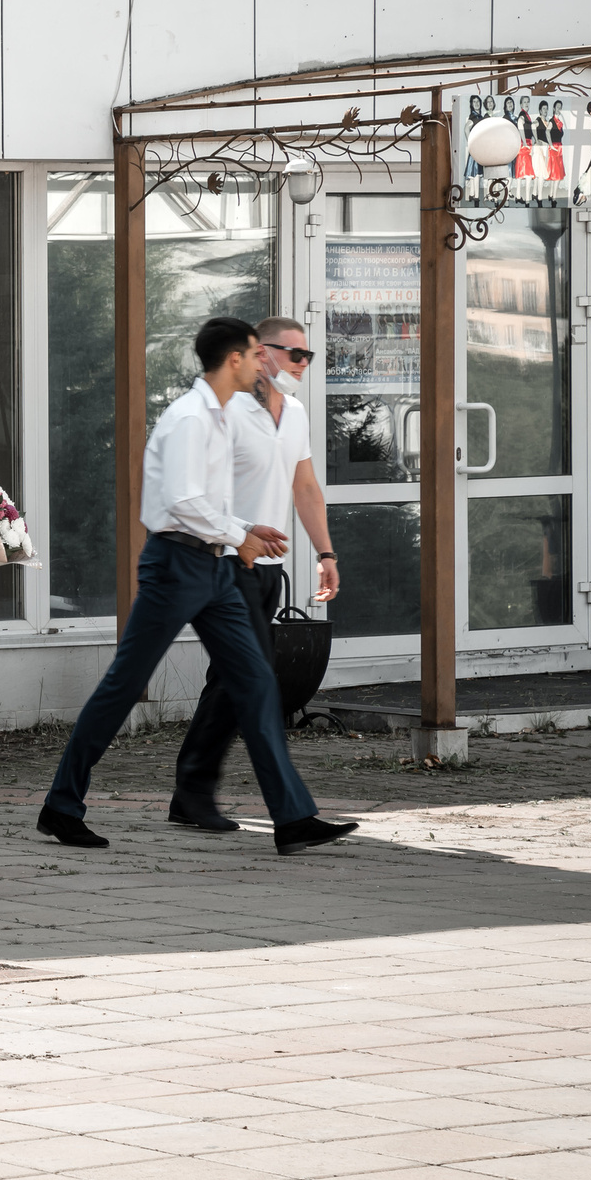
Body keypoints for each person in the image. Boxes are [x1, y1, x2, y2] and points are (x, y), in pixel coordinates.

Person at [39, 317, 359, 857]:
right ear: (234, 359)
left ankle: (293, 818)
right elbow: (185, 502)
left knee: (257, 684)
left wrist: (245, 533)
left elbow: (219, 499)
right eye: (258, 354)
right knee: (124, 686)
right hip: (175, 566)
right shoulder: (190, 417)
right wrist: (243, 535)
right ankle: (61, 807)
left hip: (217, 568)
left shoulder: (221, 416)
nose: (266, 364)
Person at [170, 314, 343, 832]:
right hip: (223, 562)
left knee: (232, 680)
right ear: (260, 354)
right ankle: (285, 813)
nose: (304, 365)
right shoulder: (223, 412)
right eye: (297, 355)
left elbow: (305, 487)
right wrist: (235, 533)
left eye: (308, 356)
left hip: (266, 569)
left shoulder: (293, 412)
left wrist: (326, 554)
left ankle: (193, 795)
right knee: (252, 677)